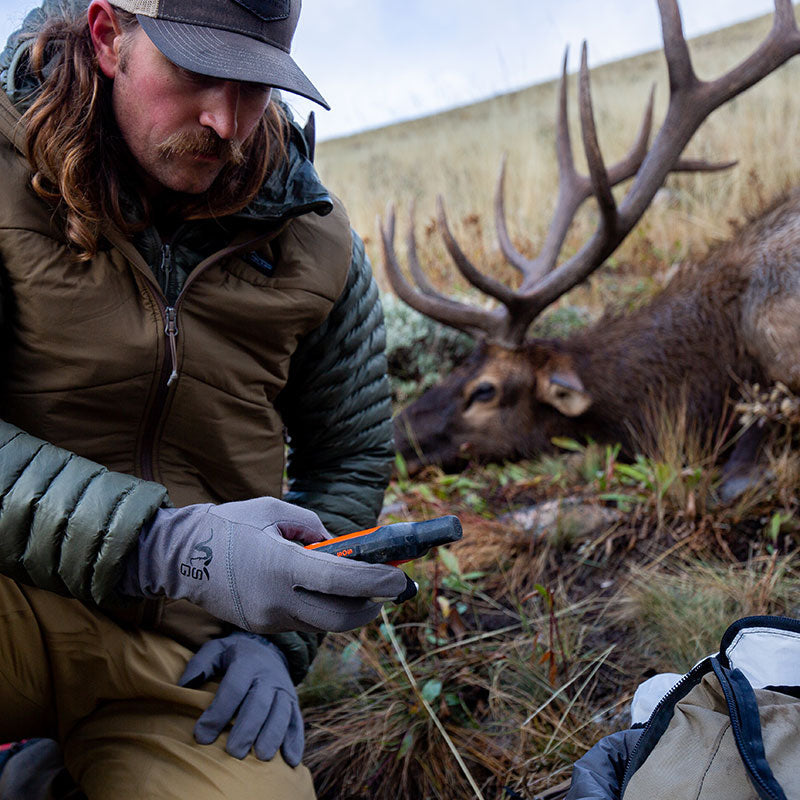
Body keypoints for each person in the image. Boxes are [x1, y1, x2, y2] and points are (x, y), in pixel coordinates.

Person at [0, 0, 411, 797]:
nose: (226, 122)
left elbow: (350, 455)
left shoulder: (316, 240)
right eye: (196, 73)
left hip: (184, 653)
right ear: (108, 37)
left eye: (255, 85)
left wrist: (279, 641)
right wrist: (166, 545)